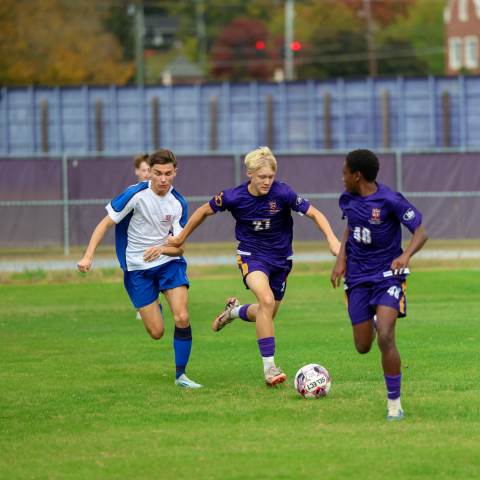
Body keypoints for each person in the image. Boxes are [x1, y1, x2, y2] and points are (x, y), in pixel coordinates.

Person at [167, 146, 340, 386]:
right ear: (250, 174)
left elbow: (315, 214)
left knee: (266, 312)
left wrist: (332, 239)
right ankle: (270, 369)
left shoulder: (283, 193)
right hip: (252, 256)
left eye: (270, 177)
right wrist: (181, 237)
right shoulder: (233, 196)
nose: (267, 181)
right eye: (262, 177)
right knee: (266, 301)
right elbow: (203, 211)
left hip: (281, 259)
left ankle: (234, 311)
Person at [77, 149, 202, 389]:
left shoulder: (179, 203)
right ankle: (155, 304)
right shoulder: (135, 195)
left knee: (182, 316)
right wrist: (88, 255)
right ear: (150, 173)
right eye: (158, 173)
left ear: (175, 172)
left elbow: (179, 249)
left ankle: (181, 376)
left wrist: (162, 250)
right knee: (156, 332)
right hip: (137, 268)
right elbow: (105, 223)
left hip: (168, 264)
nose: (163, 179)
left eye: (168, 173)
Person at [330, 149, 428, 420]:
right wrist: (341, 260)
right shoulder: (348, 199)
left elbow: (421, 232)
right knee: (363, 347)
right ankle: (372, 321)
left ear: (357, 175)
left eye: (345, 172)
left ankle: (394, 406)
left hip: (387, 277)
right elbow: (350, 227)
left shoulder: (389, 200)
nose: (342, 178)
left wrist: (406, 255)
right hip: (358, 279)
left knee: (385, 335)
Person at [133, 153, 152, 320]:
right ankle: (141, 305)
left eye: (149, 170)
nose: (147, 173)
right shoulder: (132, 195)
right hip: (134, 246)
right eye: (143, 170)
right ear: (137, 172)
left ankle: (151, 305)